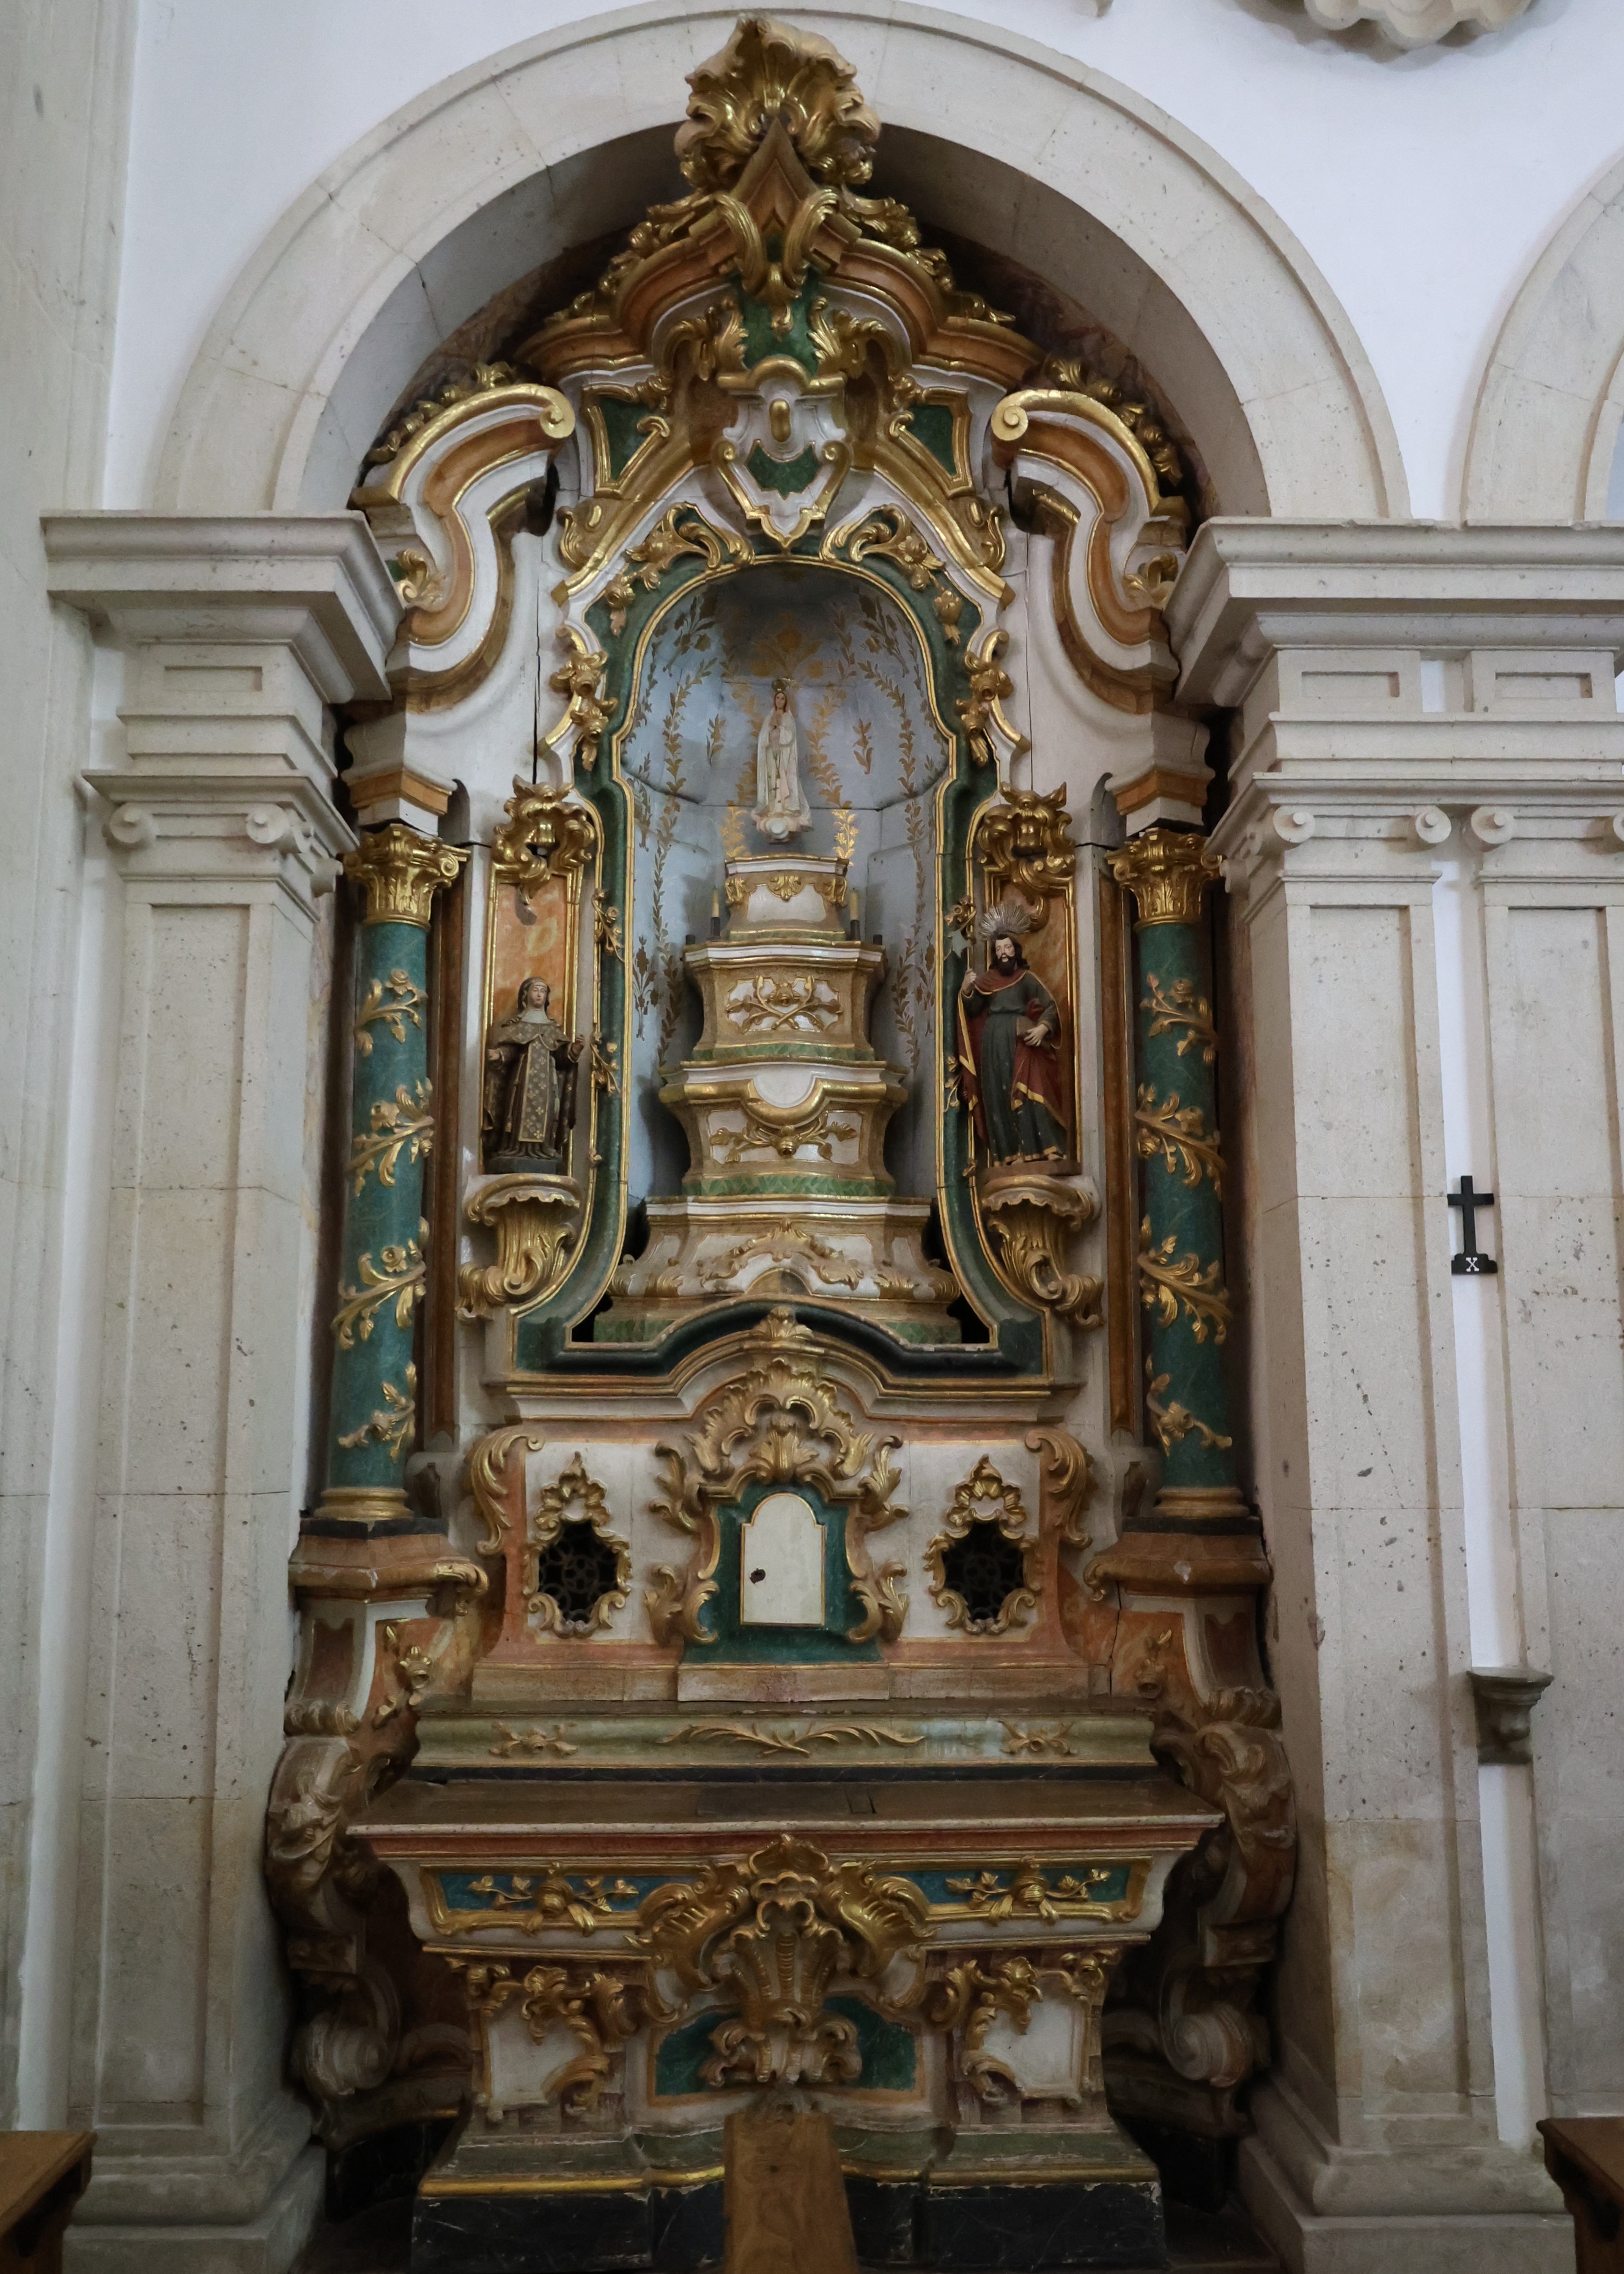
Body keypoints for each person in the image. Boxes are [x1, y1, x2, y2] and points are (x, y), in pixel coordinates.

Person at [958, 926, 1070, 1165]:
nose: (1003, 953)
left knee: (1030, 1090)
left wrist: (1042, 1028)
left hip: (1022, 1040)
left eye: (1007, 947)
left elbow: (1050, 1006)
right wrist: (966, 990)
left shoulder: (1026, 978)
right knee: (999, 1096)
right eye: (999, 949)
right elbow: (973, 1010)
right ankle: (1012, 1153)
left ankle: (1047, 1147)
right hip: (994, 1043)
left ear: (1015, 950)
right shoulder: (988, 981)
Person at [480, 977, 584, 1171]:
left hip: (547, 1081)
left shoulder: (552, 1028)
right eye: (535, 990)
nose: (539, 994)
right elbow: (511, 1050)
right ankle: (515, 1149)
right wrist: (499, 1054)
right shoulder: (517, 1025)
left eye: (543, 991)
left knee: (547, 1112)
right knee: (518, 1111)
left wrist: (574, 1050)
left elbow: (562, 1059)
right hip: (522, 1080)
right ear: (525, 994)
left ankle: (544, 1149)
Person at [751, 677, 811, 842]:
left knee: (784, 781)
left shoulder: (788, 718)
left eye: (782, 699)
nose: (779, 701)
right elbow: (763, 738)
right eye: (777, 698)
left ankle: (785, 809)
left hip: (784, 758)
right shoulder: (769, 718)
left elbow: (790, 738)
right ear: (774, 700)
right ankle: (773, 809)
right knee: (772, 782)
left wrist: (781, 730)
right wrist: (770, 733)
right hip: (771, 757)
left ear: (786, 702)